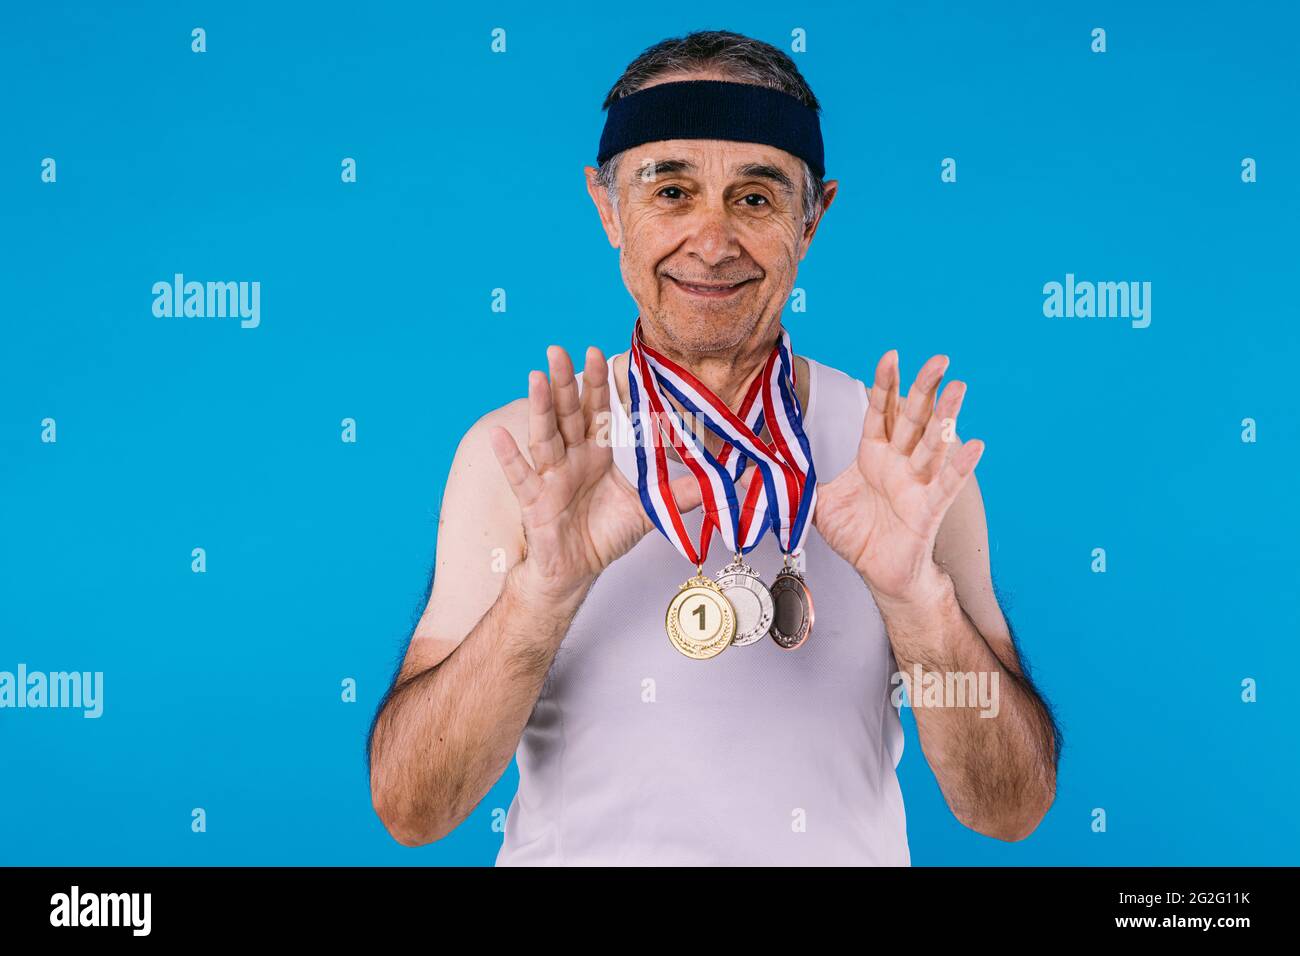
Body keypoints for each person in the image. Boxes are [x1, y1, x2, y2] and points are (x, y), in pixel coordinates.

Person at [368, 29, 1059, 865]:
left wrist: (917, 596)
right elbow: (412, 807)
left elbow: (1009, 807)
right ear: (606, 206)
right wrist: (544, 592)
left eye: (756, 198)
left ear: (814, 219)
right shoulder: (519, 452)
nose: (712, 239)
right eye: (670, 191)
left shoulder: (901, 457)